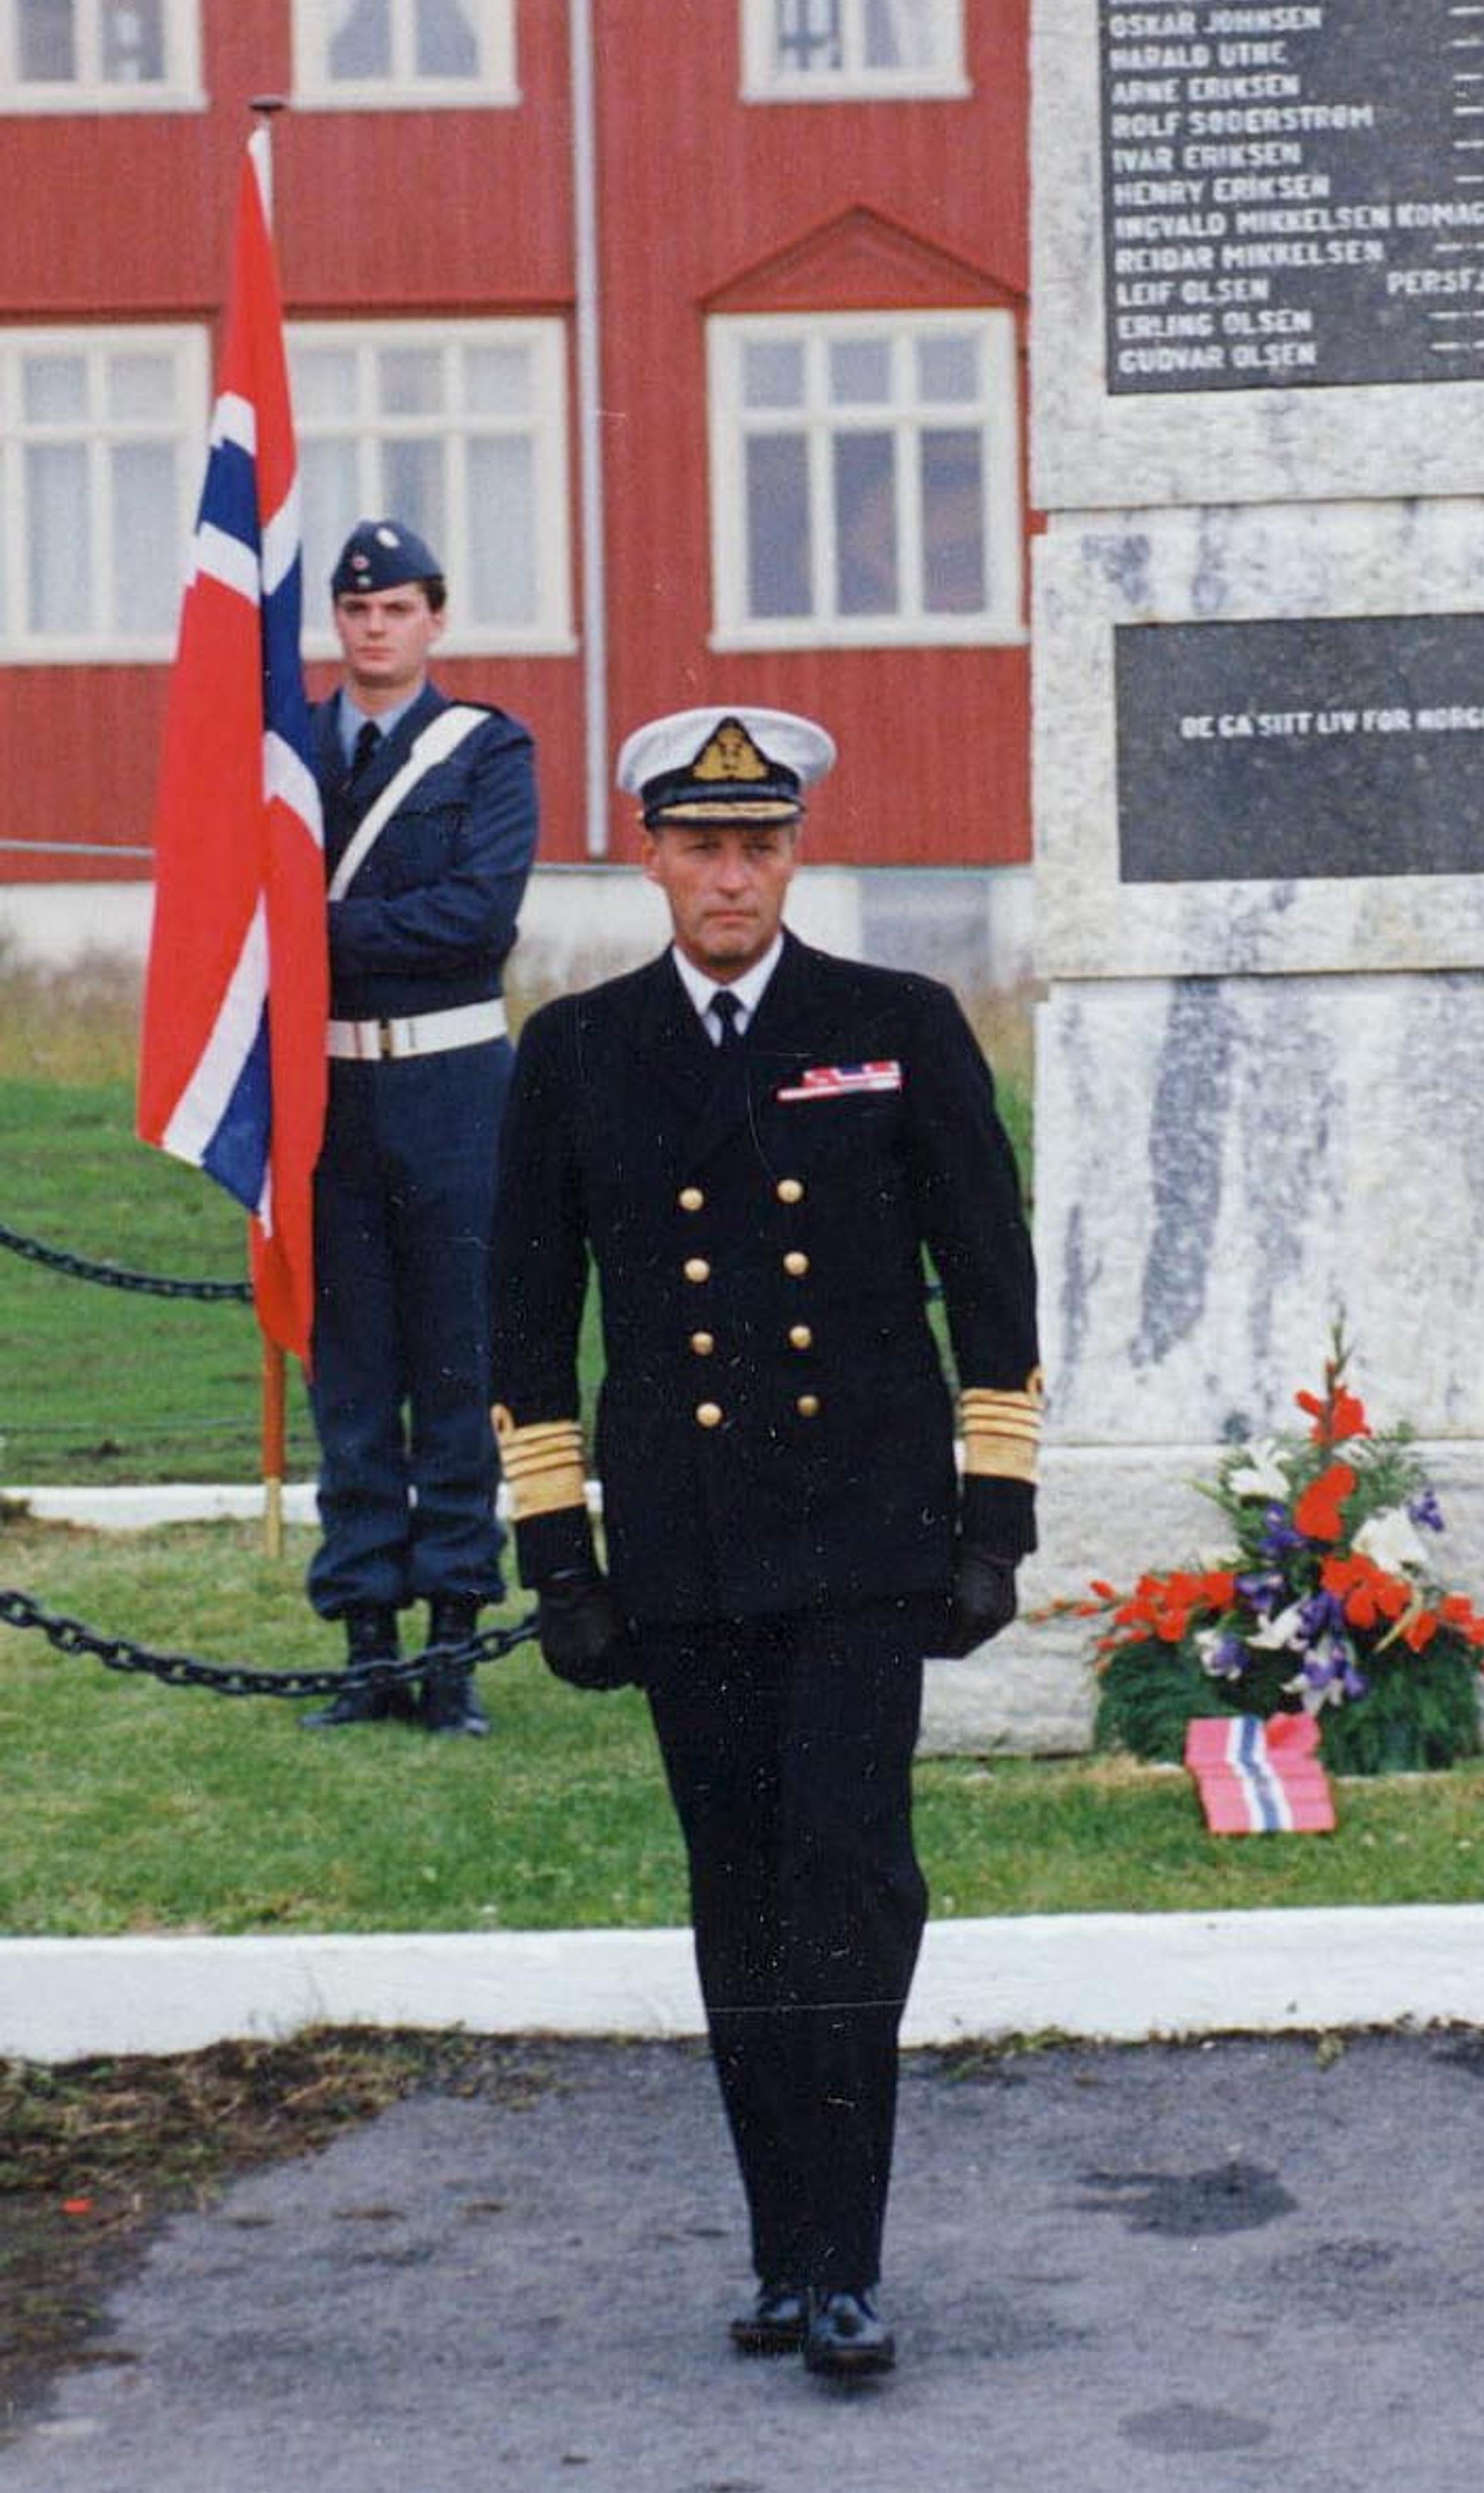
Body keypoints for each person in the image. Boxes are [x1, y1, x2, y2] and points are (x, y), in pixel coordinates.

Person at [488, 705, 1041, 2382]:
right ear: (650, 855)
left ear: (797, 855)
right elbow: (525, 1314)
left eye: (761, 844)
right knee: (735, 1892)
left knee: (849, 1880)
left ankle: (852, 2257)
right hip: (690, 1550)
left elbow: (993, 1280)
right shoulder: (576, 1051)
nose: (732, 875)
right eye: (700, 844)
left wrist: (995, 1519)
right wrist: (559, 1556)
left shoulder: (895, 1021)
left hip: (869, 1540)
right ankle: (783, 2249)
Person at [302, 518, 538, 1737]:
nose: (374, 627)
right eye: (356, 610)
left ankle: (454, 1639)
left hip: (454, 1091)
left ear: (435, 619)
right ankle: (364, 1644)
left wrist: (312, 933)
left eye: (396, 607)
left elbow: (477, 920)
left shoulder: (487, 752)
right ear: (335, 623)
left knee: (457, 1371)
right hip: (327, 1096)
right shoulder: (287, 751)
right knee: (350, 1377)